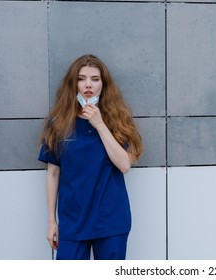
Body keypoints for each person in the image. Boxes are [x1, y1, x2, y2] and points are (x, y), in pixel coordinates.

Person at [38, 54, 143, 260]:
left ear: (103, 84)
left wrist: (99, 124)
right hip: (72, 221)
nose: (88, 85)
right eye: (81, 78)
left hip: (110, 220)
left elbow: (124, 165)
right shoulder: (58, 123)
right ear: (73, 84)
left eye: (95, 79)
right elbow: (53, 174)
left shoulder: (115, 120)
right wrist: (52, 221)